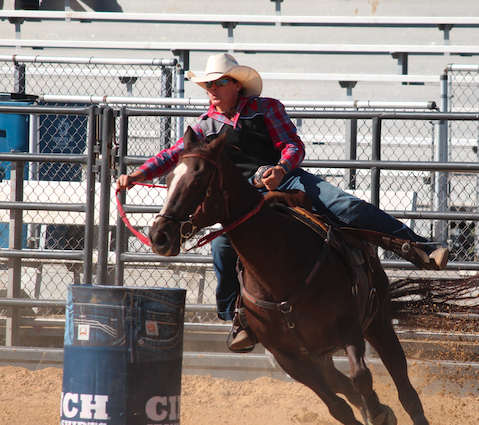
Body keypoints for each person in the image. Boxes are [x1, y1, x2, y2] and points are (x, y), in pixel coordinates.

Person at [117, 53, 448, 351]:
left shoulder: (266, 108)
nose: (212, 90)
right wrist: (136, 176)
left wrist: (281, 168)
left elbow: (292, 145)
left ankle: (418, 246)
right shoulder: (204, 127)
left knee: (345, 206)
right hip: (243, 198)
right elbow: (174, 155)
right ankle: (237, 317)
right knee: (221, 248)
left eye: (219, 83)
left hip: (286, 180)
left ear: (236, 85)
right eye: (208, 85)